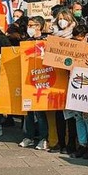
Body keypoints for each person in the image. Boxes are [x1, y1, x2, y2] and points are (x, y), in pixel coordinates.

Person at [49, 8, 77, 155]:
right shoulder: (53, 38)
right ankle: (60, 143)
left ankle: (71, 143)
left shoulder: (74, 39)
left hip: (71, 80)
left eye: (64, 18)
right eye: (59, 18)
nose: (61, 21)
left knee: (71, 114)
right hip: (56, 80)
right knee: (59, 113)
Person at [19, 16, 49, 150]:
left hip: (41, 80)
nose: (29, 27)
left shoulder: (46, 41)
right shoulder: (26, 41)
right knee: (28, 111)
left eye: (32, 25)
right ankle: (29, 136)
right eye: (28, 25)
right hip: (28, 80)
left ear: (39, 26)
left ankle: (44, 138)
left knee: (40, 112)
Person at [70, 25, 88, 160]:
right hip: (74, 83)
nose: (78, 42)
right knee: (78, 116)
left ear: (86, 36)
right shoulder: (72, 47)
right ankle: (82, 144)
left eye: (80, 40)